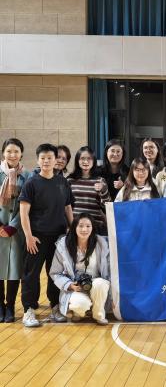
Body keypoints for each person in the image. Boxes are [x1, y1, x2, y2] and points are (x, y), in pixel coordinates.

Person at [19, 143, 74, 327]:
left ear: (55, 159)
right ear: (38, 160)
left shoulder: (62, 182)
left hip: (58, 238)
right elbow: (24, 212)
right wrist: (28, 236)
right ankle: (28, 310)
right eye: (42, 158)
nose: (46, 161)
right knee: (31, 274)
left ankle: (55, 307)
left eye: (50, 157)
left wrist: (72, 229)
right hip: (36, 237)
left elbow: (68, 207)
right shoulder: (31, 183)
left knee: (55, 274)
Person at [49, 213, 110, 325]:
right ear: (74, 227)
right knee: (79, 305)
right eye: (80, 226)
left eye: (88, 226)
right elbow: (55, 273)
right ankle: (80, 311)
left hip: (95, 284)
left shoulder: (102, 244)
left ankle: (98, 314)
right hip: (75, 287)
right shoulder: (64, 245)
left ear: (92, 228)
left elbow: (110, 271)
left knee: (101, 283)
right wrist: (69, 285)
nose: (84, 229)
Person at [0, 139, 31, 323]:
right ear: (3, 153)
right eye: (9, 151)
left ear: (21, 154)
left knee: (14, 270)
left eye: (16, 151)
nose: (12, 155)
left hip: (16, 231)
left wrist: (13, 226)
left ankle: (10, 306)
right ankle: (0, 306)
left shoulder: (28, 176)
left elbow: (28, 204)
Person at [67, 147, 110, 234]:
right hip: (76, 226)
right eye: (82, 158)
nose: (86, 161)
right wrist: (69, 226)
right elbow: (66, 206)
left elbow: (107, 206)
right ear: (77, 161)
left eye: (89, 159)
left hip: (95, 226)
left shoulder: (100, 180)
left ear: (94, 161)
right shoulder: (70, 180)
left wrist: (103, 190)